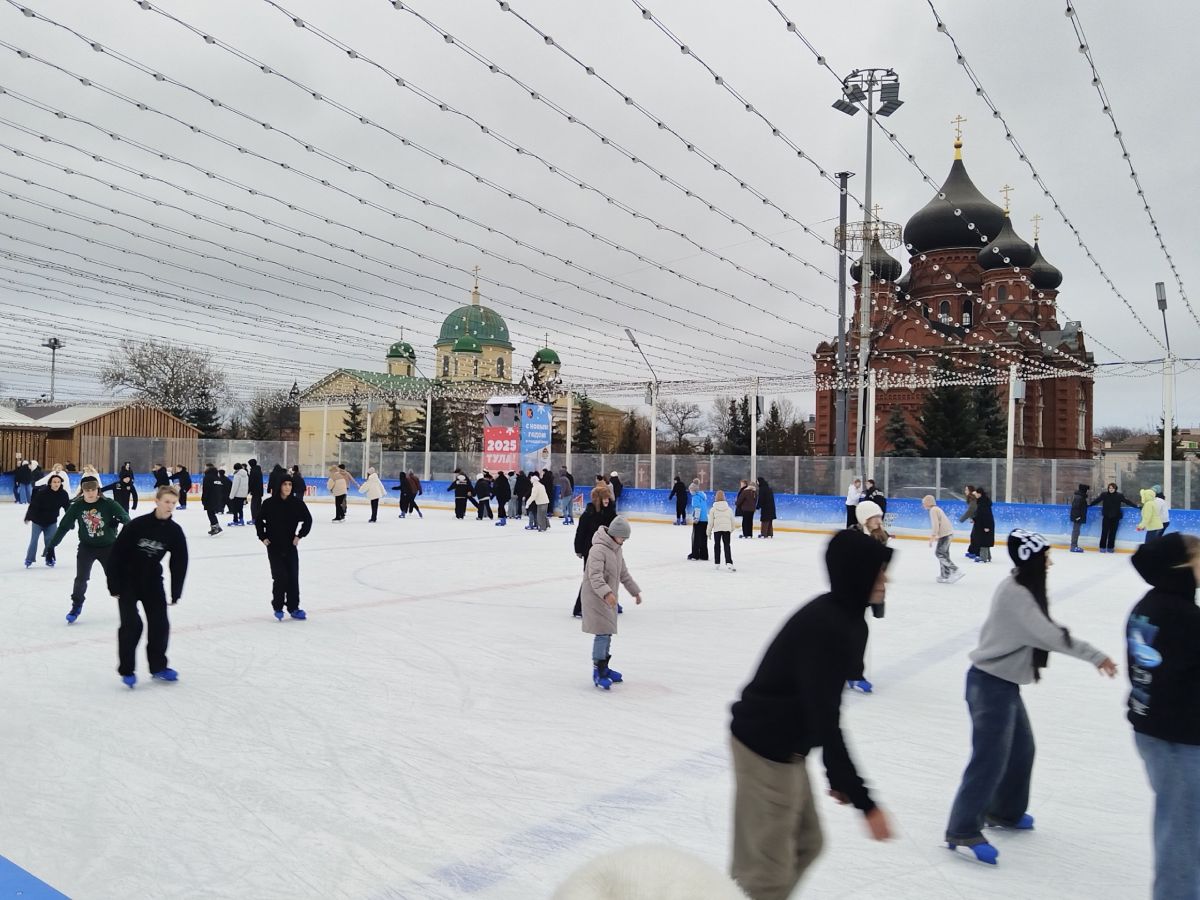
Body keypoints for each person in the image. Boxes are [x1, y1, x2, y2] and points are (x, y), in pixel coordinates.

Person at [729, 529, 894, 899]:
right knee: (766, 875)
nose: (886, 580)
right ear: (856, 574)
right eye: (878, 572)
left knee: (807, 843)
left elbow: (822, 705)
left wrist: (838, 776)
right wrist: (863, 801)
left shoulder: (849, 621)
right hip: (764, 748)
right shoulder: (827, 626)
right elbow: (825, 715)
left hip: (789, 747)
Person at [944, 529, 1117, 865]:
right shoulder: (1018, 595)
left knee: (1022, 750)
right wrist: (1097, 656)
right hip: (990, 685)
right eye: (1046, 557)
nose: (1050, 562)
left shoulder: (1021, 586)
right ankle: (962, 828)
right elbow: (1051, 636)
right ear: (1032, 560)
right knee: (989, 759)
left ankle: (1004, 812)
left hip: (1002, 684)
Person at [1124, 533, 1200, 900]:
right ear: (1181, 567)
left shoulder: (1148, 606)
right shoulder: (1183, 617)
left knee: (1179, 822)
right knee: (1183, 831)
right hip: (1177, 737)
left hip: (1152, 728)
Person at [107, 484, 188, 688]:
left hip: (152, 581)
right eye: (166, 501)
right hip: (127, 581)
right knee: (132, 625)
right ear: (157, 501)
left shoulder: (174, 531)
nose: (170, 506)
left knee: (160, 624)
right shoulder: (137, 525)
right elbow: (116, 553)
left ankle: (158, 667)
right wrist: (113, 584)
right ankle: (127, 670)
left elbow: (179, 562)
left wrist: (176, 591)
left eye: (173, 503)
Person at [45, 475, 131, 623]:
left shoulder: (108, 504)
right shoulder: (77, 506)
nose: (91, 493)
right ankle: (76, 606)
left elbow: (127, 519)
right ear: (82, 491)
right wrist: (51, 546)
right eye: (87, 490)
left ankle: (128, 605)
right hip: (87, 548)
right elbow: (64, 526)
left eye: (93, 489)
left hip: (109, 548)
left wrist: (119, 519)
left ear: (98, 489)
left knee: (115, 579)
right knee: (81, 579)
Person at [580, 516, 642, 690]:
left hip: (608, 599)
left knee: (607, 633)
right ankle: (597, 671)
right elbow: (595, 576)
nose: (624, 541)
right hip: (595, 598)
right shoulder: (598, 550)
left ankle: (604, 667)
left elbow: (623, 574)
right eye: (623, 537)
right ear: (615, 534)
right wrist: (607, 593)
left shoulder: (617, 549)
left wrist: (635, 592)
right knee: (602, 633)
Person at [257, 477, 313, 621]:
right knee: (280, 576)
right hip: (274, 546)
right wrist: (263, 537)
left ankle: (293, 607)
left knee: (293, 576)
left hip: (290, 546)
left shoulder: (297, 503)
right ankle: (278, 606)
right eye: (284, 484)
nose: (288, 487)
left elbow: (308, 520)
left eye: (290, 484)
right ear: (279, 486)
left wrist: (300, 536)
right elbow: (259, 521)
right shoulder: (269, 503)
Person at [572, 485, 616, 618]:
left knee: (608, 577)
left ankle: (609, 602)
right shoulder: (588, 514)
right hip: (590, 552)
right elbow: (580, 533)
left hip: (607, 551)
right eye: (604, 498)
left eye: (608, 497)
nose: (607, 500)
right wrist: (578, 549)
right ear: (598, 499)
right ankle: (579, 607)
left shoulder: (610, 513)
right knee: (591, 580)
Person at [24, 473, 70, 568]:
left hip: (51, 521)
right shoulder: (42, 493)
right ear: (50, 483)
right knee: (34, 540)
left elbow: (67, 508)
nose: (56, 484)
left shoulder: (63, 494)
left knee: (50, 541)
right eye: (54, 482)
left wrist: (70, 520)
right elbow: (33, 505)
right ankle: (29, 559)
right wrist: (28, 516)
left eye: (58, 482)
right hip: (37, 521)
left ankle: (49, 558)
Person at [924, 495, 964, 584]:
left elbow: (936, 524)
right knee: (943, 554)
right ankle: (945, 575)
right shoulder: (936, 509)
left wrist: (933, 536)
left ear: (928, 502)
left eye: (924, 503)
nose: (923, 505)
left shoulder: (933, 510)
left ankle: (955, 570)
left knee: (939, 553)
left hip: (945, 535)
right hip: (948, 534)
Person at [1090, 482, 1138, 553]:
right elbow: (1097, 500)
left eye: (1112, 488)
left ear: (1115, 489)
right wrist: (1089, 505)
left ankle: (1110, 547)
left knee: (1113, 533)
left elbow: (1127, 501)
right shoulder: (1104, 495)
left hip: (1115, 517)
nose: (1111, 489)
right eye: (1109, 488)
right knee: (1104, 532)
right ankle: (1102, 547)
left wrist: (1136, 506)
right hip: (1106, 516)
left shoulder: (1119, 495)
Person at [708, 489, 735, 571]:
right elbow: (732, 520)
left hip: (717, 529)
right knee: (727, 545)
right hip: (726, 529)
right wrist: (731, 529)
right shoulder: (729, 509)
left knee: (717, 545)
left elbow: (710, 522)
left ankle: (717, 563)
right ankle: (729, 562)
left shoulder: (713, 509)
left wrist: (708, 532)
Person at [200, 463, 227, 536]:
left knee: (210, 513)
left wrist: (203, 499)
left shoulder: (207, 477)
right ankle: (216, 526)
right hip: (217, 497)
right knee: (212, 513)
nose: (204, 468)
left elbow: (206, 489)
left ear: (208, 468)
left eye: (205, 467)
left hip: (210, 498)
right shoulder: (217, 477)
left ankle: (215, 528)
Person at [970, 487, 994, 562]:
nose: (975, 495)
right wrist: (974, 519)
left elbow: (986, 515)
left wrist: (987, 526)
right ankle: (988, 556)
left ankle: (983, 557)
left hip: (985, 524)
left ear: (979, 494)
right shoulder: (981, 501)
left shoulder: (983, 502)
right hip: (982, 524)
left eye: (976, 494)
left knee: (983, 541)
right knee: (984, 540)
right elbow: (979, 514)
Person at [687, 483, 710, 561]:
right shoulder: (703, 496)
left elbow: (697, 508)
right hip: (705, 520)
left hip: (699, 520)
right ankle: (704, 555)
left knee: (696, 538)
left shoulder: (695, 497)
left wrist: (696, 518)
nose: (690, 491)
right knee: (703, 538)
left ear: (694, 490)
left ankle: (695, 555)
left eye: (690, 490)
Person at [1068, 483, 1090, 553]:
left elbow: (1081, 507)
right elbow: (1075, 508)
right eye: (1087, 490)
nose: (1087, 492)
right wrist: (1077, 517)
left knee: (1076, 531)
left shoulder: (1080, 497)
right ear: (1084, 490)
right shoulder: (1079, 497)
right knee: (1076, 531)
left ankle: (1074, 546)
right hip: (1077, 517)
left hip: (1078, 517)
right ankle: (1073, 546)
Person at [960, 485, 979, 559]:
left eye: (966, 490)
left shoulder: (972, 498)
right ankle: (972, 551)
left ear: (970, 491)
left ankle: (975, 552)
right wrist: (972, 518)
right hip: (976, 519)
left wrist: (962, 519)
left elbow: (972, 509)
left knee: (975, 536)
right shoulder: (971, 498)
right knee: (973, 536)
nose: (965, 491)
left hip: (979, 519)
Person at [247, 458, 265, 523]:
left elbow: (251, 482)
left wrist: (248, 490)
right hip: (260, 490)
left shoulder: (253, 471)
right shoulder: (259, 470)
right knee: (258, 505)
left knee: (254, 505)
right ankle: (259, 518)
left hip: (255, 491)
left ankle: (254, 518)